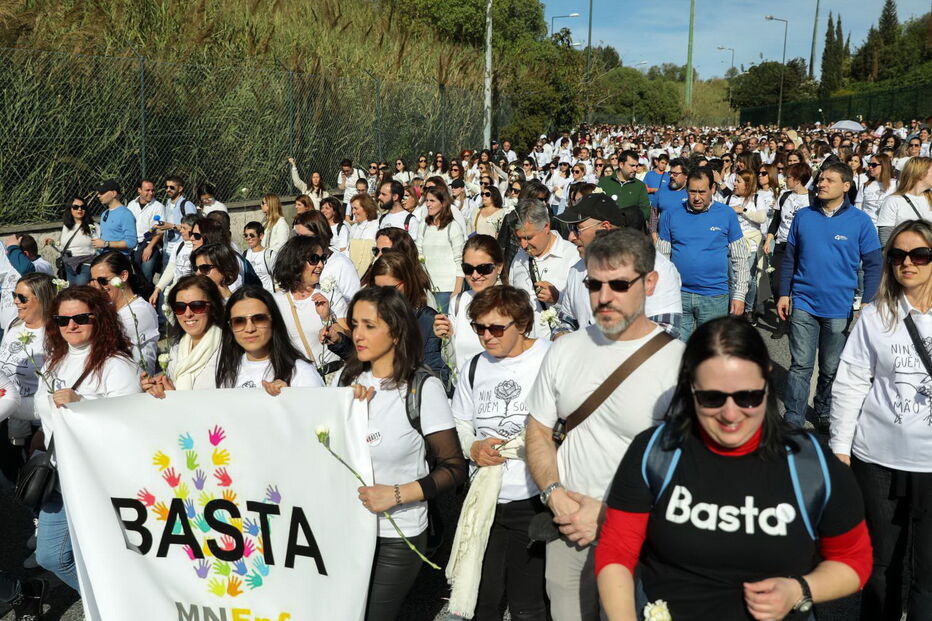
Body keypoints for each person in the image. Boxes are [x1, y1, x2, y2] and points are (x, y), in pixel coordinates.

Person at [596, 316, 872, 621]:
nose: (730, 414)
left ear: (767, 380)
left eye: (747, 397)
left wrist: (800, 589)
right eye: (711, 398)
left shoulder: (809, 462)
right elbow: (617, 551)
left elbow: (854, 560)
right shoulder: (656, 451)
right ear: (690, 387)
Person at [525, 228, 684, 621]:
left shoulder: (680, 364)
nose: (604, 296)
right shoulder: (565, 349)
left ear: (650, 283)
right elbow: (539, 429)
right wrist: (554, 494)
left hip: (641, 535)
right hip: (569, 524)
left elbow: (689, 467)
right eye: (594, 284)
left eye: (619, 284)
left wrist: (610, 515)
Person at [335, 286, 466, 621]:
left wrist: (397, 494)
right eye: (354, 324)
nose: (357, 334)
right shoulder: (346, 379)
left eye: (369, 325)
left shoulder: (422, 387)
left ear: (396, 332)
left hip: (397, 534)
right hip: (346, 529)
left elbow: (454, 468)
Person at [830, 219, 932, 620]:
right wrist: (839, 447)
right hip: (878, 459)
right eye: (898, 255)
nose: (908, 263)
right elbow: (851, 381)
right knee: (882, 564)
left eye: (920, 255)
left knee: (928, 573)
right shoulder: (875, 316)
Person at [449, 285, 548, 621]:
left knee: (528, 604)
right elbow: (459, 422)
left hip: (534, 498)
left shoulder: (549, 358)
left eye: (496, 328)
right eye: (479, 328)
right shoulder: (474, 367)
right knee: (483, 601)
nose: (487, 336)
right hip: (486, 500)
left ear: (522, 324)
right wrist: (473, 447)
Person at [34, 285, 142, 591]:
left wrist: (82, 404)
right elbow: (42, 407)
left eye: (81, 318)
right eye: (62, 320)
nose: (71, 325)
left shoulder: (116, 364)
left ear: (100, 318)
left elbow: (129, 423)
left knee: (108, 555)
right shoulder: (54, 361)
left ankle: (118, 604)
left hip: (97, 480)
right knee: (50, 556)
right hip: (60, 476)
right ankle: (109, 604)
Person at [778, 162, 883, 431]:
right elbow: (789, 258)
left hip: (839, 306)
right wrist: (783, 294)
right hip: (803, 301)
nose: (821, 184)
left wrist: (868, 300)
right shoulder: (803, 216)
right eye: (820, 179)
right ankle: (794, 416)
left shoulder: (860, 221)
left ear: (846, 186)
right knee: (801, 365)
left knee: (830, 367)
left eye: (829, 180)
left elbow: (874, 263)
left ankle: (824, 411)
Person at [556, 197, 683, 338]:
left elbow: (665, 331)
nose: (571, 237)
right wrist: (560, 337)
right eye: (570, 229)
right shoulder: (577, 270)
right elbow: (566, 321)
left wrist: (610, 348)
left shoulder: (655, 267)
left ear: (605, 228)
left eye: (577, 229)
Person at [657, 167, 750, 342]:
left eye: (702, 192)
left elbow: (740, 258)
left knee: (709, 350)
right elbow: (662, 259)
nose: (697, 197)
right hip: (678, 296)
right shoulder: (670, 214)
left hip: (714, 297)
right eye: (692, 192)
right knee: (676, 349)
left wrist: (739, 295)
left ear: (713, 189)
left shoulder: (727, 214)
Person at [363, 252, 447, 386]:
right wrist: (339, 341)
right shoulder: (371, 316)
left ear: (407, 282)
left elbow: (434, 373)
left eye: (390, 289)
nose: (383, 295)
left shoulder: (426, 320)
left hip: (412, 393)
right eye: (377, 288)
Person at [215, 286, 323, 390]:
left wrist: (289, 396)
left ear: (274, 321)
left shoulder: (301, 372)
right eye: (238, 321)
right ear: (230, 327)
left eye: (259, 319)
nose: (249, 329)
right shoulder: (228, 373)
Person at [273, 236, 348, 372]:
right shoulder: (276, 301)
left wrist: (327, 318)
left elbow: (347, 337)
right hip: (301, 379)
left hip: (332, 375)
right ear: (296, 261)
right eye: (314, 259)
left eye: (323, 258)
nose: (321, 265)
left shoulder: (330, 293)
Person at [142, 274, 224, 397]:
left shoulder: (227, 350)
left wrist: (176, 398)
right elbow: (173, 392)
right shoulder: (176, 349)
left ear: (212, 307)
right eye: (180, 307)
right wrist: (156, 386)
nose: (188, 314)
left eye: (197, 306)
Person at [507, 198, 579, 338]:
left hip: (558, 345)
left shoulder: (573, 257)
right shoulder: (519, 256)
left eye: (528, 238)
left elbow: (584, 311)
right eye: (519, 238)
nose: (523, 245)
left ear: (546, 227)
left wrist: (557, 299)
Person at [433, 235, 503, 374]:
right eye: (468, 269)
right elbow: (451, 361)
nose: (475, 275)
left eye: (483, 268)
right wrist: (447, 337)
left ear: (499, 267)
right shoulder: (458, 302)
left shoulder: (512, 303)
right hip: (463, 384)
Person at [0, 273, 55, 450]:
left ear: (42, 299)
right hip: (5, 416)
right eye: (14, 295)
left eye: (22, 298)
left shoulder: (54, 335)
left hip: (34, 423)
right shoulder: (14, 324)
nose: (16, 301)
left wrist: (43, 430)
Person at [765, 163, 815, 339]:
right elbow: (776, 220)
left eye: (788, 177)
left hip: (803, 247)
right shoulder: (785, 196)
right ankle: (783, 322)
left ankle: (798, 322)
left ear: (798, 180)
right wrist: (769, 239)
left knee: (800, 286)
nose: (785, 180)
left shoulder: (813, 198)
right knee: (777, 284)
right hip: (782, 245)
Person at [89, 250, 159, 375]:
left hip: (136, 380)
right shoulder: (110, 306)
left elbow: (101, 341)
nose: (98, 287)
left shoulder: (140, 311)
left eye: (103, 281)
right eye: (95, 282)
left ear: (123, 276)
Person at [292, 211, 361, 306]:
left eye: (305, 238)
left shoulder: (342, 264)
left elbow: (354, 301)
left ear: (320, 235)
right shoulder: (295, 259)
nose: (299, 242)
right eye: (297, 236)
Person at [416, 186, 465, 311]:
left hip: (447, 288)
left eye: (432, 201)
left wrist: (457, 290)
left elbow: (460, 260)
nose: (428, 204)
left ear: (443, 203)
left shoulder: (453, 227)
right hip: (427, 288)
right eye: (427, 200)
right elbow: (418, 252)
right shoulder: (423, 225)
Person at [877, 156, 932, 244]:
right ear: (921, 174)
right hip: (905, 251)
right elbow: (885, 237)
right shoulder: (893, 201)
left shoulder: (929, 199)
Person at [149, 213, 200, 307]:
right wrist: (157, 289)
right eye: (181, 227)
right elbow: (171, 268)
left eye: (185, 228)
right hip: (177, 291)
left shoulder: (199, 249)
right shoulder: (178, 246)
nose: (181, 231)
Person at [46, 197, 94, 286]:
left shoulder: (93, 226)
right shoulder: (66, 227)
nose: (79, 209)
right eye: (75, 207)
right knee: (71, 291)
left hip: (85, 264)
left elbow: (98, 245)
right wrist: (52, 243)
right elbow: (63, 248)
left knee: (81, 290)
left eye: (82, 207)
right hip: (69, 265)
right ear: (70, 209)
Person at [126, 179, 165, 282]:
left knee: (146, 274)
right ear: (139, 190)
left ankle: (148, 291)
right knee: (134, 275)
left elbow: (160, 230)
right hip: (133, 245)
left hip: (149, 244)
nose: (151, 193)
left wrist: (149, 248)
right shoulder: (131, 204)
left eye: (152, 190)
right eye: (147, 190)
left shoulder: (158, 207)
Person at [597, 149, 650, 222]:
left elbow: (645, 211)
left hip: (630, 228)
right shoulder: (604, 182)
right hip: (607, 226)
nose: (635, 169)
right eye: (632, 165)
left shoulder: (640, 186)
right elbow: (596, 206)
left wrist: (629, 219)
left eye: (636, 166)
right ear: (621, 165)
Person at [90, 179, 136, 255]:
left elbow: (131, 242)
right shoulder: (105, 213)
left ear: (113, 193)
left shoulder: (126, 214)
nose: (98, 195)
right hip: (104, 257)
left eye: (102, 192)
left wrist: (106, 244)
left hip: (117, 258)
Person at [349, 192, 380, 276]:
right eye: (352, 208)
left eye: (356, 208)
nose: (353, 212)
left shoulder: (377, 225)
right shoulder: (354, 228)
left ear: (366, 208)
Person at [242, 221, 275, 292]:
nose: (248, 238)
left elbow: (278, 279)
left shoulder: (270, 255)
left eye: (252, 235)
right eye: (246, 235)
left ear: (261, 236)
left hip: (268, 294)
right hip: (251, 295)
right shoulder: (244, 254)